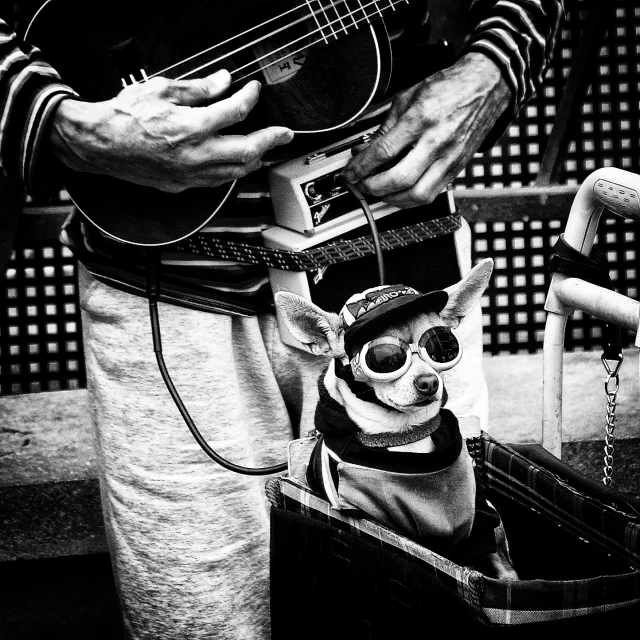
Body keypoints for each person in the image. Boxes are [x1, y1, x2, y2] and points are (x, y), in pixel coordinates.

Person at [0, 2, 563, 638]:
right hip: (171, 290)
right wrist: (58, 123)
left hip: (401, 281)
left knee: (434, 623)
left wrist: (495, 64)